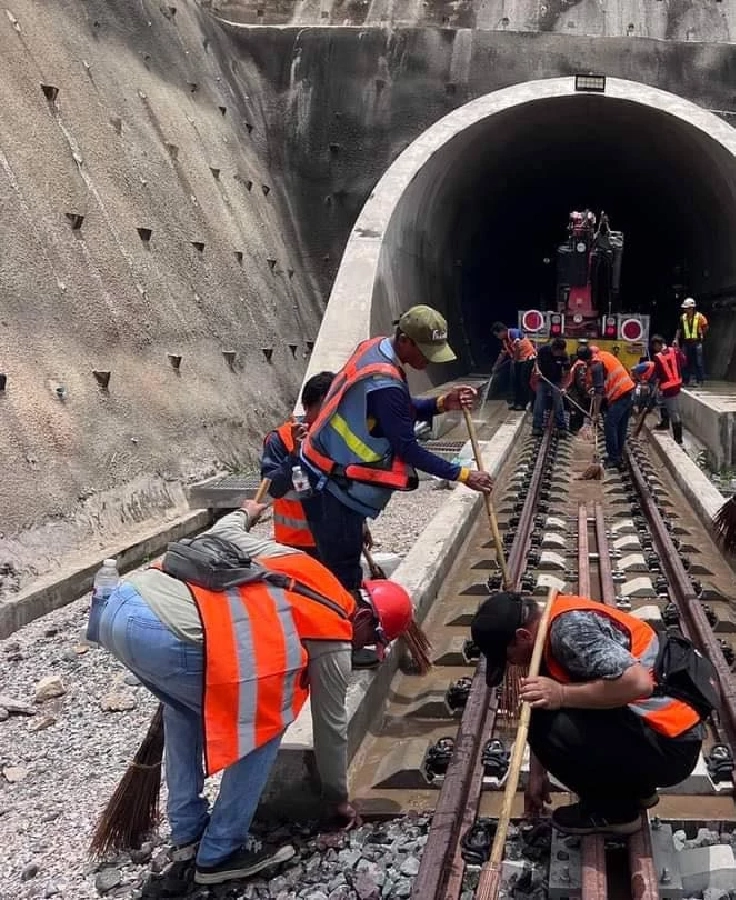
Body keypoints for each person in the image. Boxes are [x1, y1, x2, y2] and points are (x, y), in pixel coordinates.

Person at [97, 502, 415, 885]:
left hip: (122, 604)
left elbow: (224, 534)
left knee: (181, 711)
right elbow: (331, 729)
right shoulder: (334, 636)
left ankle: (187, 834)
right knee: (265, 724)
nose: (361, 649)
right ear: (364, 619)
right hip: (166, 635)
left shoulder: (303, 566)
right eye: (370, 642)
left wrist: (245, 512)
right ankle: (220, 851)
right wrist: (337, 798)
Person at [470, 592, 703, 836]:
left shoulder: (567, 632)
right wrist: (537, 773)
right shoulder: (551, 618)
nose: (512, 664)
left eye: (507, 657)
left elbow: (638, 684)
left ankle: (615, 811)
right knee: (544, 702)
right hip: (661, 734)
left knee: (543, 719)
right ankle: (638, 790)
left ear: (523, 636)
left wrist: (561, 694)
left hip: (671, 748)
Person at [301, 306, 493, 597]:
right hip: (332, 486)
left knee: (341, 568)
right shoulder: (384, 381)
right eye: (425, 351)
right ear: (405, 340)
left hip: (330, 471)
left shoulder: (375, 351)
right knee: (342, 577)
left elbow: (395, 412)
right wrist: (464, 475)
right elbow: (408, 448)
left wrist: (442, 403)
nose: (428, 359)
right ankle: (344, 635)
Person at [259, 371, 335, 555]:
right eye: (326, 407)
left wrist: (361, 526)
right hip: (296, 545)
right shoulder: (281, 440)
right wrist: (295, 455)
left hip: (337, 538)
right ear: (306, 406)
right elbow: (274, 489)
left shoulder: (339, 437)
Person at [580, 345, 635, 468]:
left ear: (586, 360)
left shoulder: (595, 366)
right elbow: (607, 378)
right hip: (628, 390)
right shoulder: (604, 355)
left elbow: (599, 393)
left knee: (609, 425)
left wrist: (595, 414)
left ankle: (614, 458)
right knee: (620, 426)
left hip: (620, 394)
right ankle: (617, 455)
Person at [645, 335, 684, 444]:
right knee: (662, 403)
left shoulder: (658, 356)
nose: (654, 349)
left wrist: (654, 386)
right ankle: (665, 424)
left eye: (654, 346)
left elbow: (658, 374)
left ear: (657, 344)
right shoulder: (674, 350)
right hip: (676, 385)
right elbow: (684, 362)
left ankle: (678, 439)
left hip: (668, 387)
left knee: (673, 412)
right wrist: (678, 349)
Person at [491, 323, 536, 411]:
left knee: (524, 381)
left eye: (497, 335)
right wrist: (496, 365)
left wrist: (514, 359)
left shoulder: (513, 332)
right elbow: (503, 354)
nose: (497, 337)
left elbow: (518, 347)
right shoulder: (504, 341)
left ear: (502, 331)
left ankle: (526, 403)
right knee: (516, 381)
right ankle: (517, 403)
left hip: (527, 358)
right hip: (518, 361)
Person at [532, 337, 569, 437]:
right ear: (552, 348)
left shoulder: (564, 355)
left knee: (558, 402)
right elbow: (536, 362)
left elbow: (566, 373)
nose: (558, 354)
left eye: (560, 352)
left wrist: (564, 387)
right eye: (556, 352)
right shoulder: (543, 350)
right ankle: (537, 426)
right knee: (539, 402)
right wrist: (537, 370)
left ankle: (561, 426)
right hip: (543, 379)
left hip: (556, 381)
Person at [673, 298, 708, 387]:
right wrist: (676, 339)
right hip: (686, 343)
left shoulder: (700, 317)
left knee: (698, 362)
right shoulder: (683, 317)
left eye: (687, 308)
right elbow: (679, 330)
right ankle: (685, 380)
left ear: (692, 308)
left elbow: (705, 326)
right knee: (685, 362)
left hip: (696, 343)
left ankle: (699, 381)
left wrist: (701, 335)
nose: (685, 310)